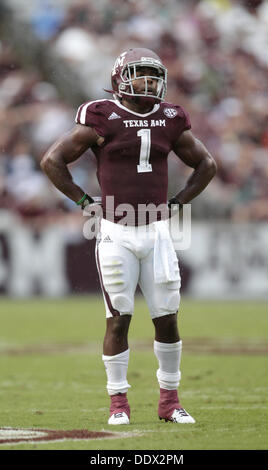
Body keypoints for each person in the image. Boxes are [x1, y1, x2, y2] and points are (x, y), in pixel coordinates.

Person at [41, 48, 217, 425]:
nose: (149, 83)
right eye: (141, 75)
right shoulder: (101, 116)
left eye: (154, 76)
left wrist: (178, 202)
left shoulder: (171, 118)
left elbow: (207, 164)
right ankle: (118, 402)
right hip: (116, 231)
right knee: (118, 317)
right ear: (121, 77)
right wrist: (86, 201)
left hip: (157, 230)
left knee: (167, 317)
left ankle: (170, 401)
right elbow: (52, 160)